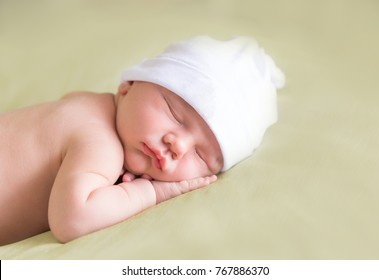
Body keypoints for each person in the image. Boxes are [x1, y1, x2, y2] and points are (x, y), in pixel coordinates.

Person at [0, 36, 284, 245]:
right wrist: (151, 193)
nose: (179, 146)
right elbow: (71, 219)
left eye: (201, 156)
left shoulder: (83, 102)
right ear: (128, 86)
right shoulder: (100, 143)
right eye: (175, 113)